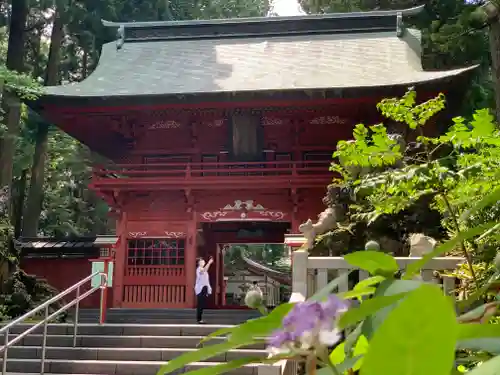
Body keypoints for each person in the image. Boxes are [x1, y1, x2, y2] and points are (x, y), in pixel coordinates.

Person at [195, 256, 213, 324]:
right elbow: (204, 270)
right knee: (200, 304)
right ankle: (199, 319)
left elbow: (206, 270)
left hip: (204, 288)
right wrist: (209, 263)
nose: (203, 262)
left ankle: (200, 319)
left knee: (202, 305)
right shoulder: (199, 269)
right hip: (200, 289)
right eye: (201, 261)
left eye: (203, 261)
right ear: (199, 263)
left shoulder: (203, 268)